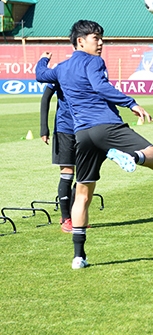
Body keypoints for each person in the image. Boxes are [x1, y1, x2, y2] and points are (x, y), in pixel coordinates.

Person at [36, 20, 153, 270]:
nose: (101, 42)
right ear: (80, 41)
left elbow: (41, 75)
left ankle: (78, 256)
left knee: (83, 196)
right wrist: (131, 103)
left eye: (101, 38)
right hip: (107, 127)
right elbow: (100, 86)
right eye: (96, 38)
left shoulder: (61, 68)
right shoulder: (94, 61)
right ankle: (132, 158)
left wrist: (43, 59)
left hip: (82, 134)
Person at [40, 82, 76, 233]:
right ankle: (66, 218)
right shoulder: (61, 71)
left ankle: (76, 215)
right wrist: (44, 127)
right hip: (65, 129)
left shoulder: (89, 70)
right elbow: (46, 97)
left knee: (85, 176)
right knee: (67, 172)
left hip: (86, 128)